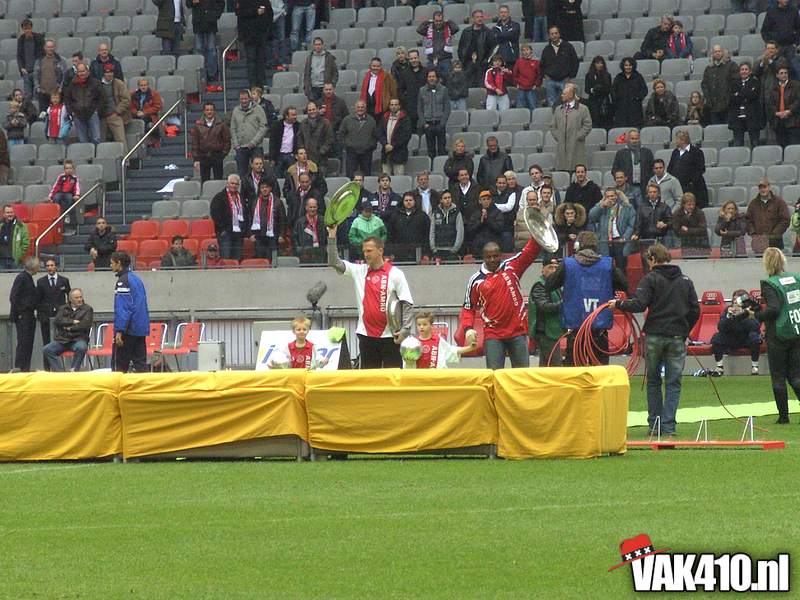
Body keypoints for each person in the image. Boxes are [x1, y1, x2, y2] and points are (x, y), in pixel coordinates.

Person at [609, 243, 699, 437]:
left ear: (652, 259)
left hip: (654, 336)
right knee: (673, 383)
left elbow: (639, 304)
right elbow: (695, 311)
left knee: (653, 381)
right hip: (676, 337)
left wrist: (618, 304)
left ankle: (655, 425)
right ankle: (669, 427)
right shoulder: (685, 280)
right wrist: (684, 330)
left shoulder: (650, 279)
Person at [326, 221, 414, 369]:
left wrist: (405, 330)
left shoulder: (396, 274)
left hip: (390, 336)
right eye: (364, 251)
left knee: (393, 376)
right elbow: (334, 262)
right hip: (366, 335)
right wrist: (332, 237)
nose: (366, 254)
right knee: (369, 378)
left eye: (369, 251)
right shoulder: (359, 271)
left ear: (380, 250)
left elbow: (407, 303)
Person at [546, 230, 628, 367]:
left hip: (576, 331)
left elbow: (549, 285)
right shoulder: (607, 264)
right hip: (599, 330)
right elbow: (624, 284)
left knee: (575, 374)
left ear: (577, 246)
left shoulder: (568, 264)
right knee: (600, 373)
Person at [462, 235, 541, 369]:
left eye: (496, 256)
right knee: (494, 375)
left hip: (517, 331)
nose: (492, 260)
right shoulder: (476, 280)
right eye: (489, 257)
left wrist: (538, 232)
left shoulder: (512, 267)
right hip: (493, 334)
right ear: (483, 257)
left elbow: (529, 252)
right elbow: (468, 308)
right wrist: (468, 328)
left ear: (501, 255)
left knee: (522, 375)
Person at [751, 248, 800, 423]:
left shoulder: (769, 283)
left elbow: (773, 309)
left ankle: (783, 417)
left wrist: (755, 315)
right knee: (795, 375)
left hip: (777, 334)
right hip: (796, 330)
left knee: (778, 376)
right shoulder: (796, 278)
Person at [110, 250, 150, 373]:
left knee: (119, 367)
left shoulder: (123, 281)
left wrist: (119, 331)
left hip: (128, 330)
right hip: (140, 329)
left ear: (119, 263)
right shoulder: (137, 279)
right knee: (141, 365)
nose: (110, 265)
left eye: (112, 263)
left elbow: (123, 309)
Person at [709, 290, 763, 376]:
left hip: (746, 338)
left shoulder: (752, 309)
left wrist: (743, 314)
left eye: (737, 299)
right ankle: (719, 368)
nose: (735, 302)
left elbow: (755, 327)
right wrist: (729, 317)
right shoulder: (728, 309)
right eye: (734, 299)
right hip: (732, 338)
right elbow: (721, 328)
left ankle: (755, 367)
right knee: (716, 337)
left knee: (754, 337)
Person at [42, 288, 93, 372]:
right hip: (63, 339)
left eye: (80, 297)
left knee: (81, 348)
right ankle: (60, 373)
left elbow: (85, 325)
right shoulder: (63, 308)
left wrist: (69, 328)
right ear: (70, 299)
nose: (79, 299)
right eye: (76, 298)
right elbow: (57, 321)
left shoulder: (87, 309)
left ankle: (73, 371)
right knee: (47, 349)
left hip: (79, 338)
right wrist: (72, 321)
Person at [403, 311, 476, 369]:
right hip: (419, 378)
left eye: (424, 324)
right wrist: (408, 363)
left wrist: (470, 348)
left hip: (436, 378)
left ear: (431, 326)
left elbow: (451, 350)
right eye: (419, 325)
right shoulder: (414, 343)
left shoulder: (438, 340)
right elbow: (407, 363)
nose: (421, 327)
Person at [588, 187, 636, 271]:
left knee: (620, 268)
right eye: (608, 196)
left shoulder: (626, 207)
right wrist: (600, 206)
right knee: (605, 268)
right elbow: (591, 217)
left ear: (616, 196)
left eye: (612, 196)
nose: (610, 198)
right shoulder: (602, 208)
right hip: (605, 242)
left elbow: (631, 225)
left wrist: (625, 237)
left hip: (619, 241)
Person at [549, 82, 592, 173]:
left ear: (571, 95)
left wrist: (577, 136)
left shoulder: (583, 109)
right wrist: (558, 136)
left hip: (576, 149)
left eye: (564, 94)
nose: (562, 95)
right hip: (561, 151)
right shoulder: (558, 109)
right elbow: (553, 126)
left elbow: (588, 125)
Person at [529, 257, 564, 367]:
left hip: (552, 330)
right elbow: (544, 306)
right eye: (550, 267)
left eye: (556, 268)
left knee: (545, 367)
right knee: (556, 365)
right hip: (544, 331)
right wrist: (564, 303)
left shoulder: (556, 285)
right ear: (543, 268)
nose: (554, 271)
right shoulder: (539, 285)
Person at [62, 62, 104, 147]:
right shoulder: (72, 84)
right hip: (78, 115)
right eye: (79, 71)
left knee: (96, 138)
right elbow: (67, 99)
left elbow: (103, 98)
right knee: (82, 140)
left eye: (83, 71)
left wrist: (98, 110)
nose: (81, 73)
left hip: (93, 114)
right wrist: (71, 112)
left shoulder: (96, 83)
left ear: (87, 71)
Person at [9, 256, 40, 372]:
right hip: (23, 315)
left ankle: (26, 368)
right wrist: (20, 312)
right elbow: (14, 297)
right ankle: (20, 368)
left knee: (29, 342)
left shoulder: (28, 278)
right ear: (33, 267)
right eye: (37, 266)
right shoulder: (21, 278)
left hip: (29, 314)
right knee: (23, 342)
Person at [230, 89, 268, 180]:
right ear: (239, 99)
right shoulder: (236, 111)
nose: (244, 101)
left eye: (245, 99)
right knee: (242, 174)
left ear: (250, 98)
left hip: (256, 147)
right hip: (241, 148)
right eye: (242, 99)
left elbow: (263, 127)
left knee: (259, 172)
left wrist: (254, 142)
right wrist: (236, 145)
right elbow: (233, 129)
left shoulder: (258, 109)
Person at [539, 25, 580, 108]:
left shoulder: (568, 47)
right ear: (549, 36)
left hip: (564, 80)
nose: (554, 35)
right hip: (551, 81)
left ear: (559, 34)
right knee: (552, 103)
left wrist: (570, 76)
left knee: (566, 102)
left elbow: (575, 62)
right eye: (552, 34)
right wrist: (545, 76)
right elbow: (542, 65)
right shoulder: (546, 49)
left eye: (556, 33)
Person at [191, 101, 231, 183]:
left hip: (217, 156)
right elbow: (195, 143)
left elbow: (227, 141)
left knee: (218, 181)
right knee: (204, 181)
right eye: (207, 110)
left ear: (214, 111)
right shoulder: (198, 126)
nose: (209, 112)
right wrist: (196, 159)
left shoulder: (221, 125)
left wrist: (223, 154)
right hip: (203, 156)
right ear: (204, 111)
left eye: (211, 110)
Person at [667, 129, 709, 209]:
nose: (675, 141)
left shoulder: (697, 152)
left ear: (683, 140)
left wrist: (690, 182)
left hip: (693, 188)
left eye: (677, 139)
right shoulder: (675, 152)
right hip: (678, 187)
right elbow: (670, 169)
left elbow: (700, 169)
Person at [745, 179, 790, 251]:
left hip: (775, 242)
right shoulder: (753, 203)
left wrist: (775, 234)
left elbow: (785, 219)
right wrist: (753, 234)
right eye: (760, 188)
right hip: (758, 242)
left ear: (769, 187)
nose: (762, 189)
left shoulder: (779, 202)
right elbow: (748, 220)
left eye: (764, 187)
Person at [186, 0, 225, 84]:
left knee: (211, 48)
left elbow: (221, 3)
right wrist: (192, 2)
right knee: (199, 49)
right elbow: (188, 4)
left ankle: (211, 73)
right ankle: (200, 73)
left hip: (210, 22)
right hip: (198, 22)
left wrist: (215, 15)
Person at [35, 258, 70, 351]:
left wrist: (67, 312)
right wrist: (40, 314)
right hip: (46, 315)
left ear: (56, 267)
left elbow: (70, 296)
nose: (50, 268)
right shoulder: (41, 282)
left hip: (60, 315)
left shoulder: (64, 280)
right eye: (47, 266)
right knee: (46, 341)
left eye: (52, 265)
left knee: (63, 339)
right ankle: (47, 360)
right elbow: (38, 299)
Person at [210, 174, 247, 261]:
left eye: (236, 184)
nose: (234, 186)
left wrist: (244, 230)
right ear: (227, 184)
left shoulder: (241, 197)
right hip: (225, 234)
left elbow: (246, 213)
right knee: (225, 259)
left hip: (238, 234)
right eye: (232, 183)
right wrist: (222, 230)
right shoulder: (219, 197)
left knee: (236, 260)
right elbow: (215, 214)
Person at [236, 0, 271, 88]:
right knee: (251, 59)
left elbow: (269, 11)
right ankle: (253, 84)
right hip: (249, 34)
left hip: (261, 33)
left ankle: (262, 82)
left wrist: (266, 26)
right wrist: (255, 12)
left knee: (261, 59)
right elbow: (239, 12)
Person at [339, 100, 378, 179]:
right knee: (350, 176)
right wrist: (346, 146)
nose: (360, 109)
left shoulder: (371, 120)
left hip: (366, 153)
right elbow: (341, 134)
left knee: (366, 176)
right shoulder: (347, 119)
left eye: (362, 107)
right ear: (355, 108)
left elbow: (375, 136)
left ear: (365, 108)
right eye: (358, 107)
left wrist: (371, 146)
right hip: (351, 152)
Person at [387, 193, 431, 262]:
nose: (408, 202)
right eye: (406, 200)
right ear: (403, 202)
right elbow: (390, 235)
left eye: (410, 200)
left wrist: (426, 253)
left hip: (417, 253)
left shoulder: (422, 216)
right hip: (399, 253)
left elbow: (426, 235)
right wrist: (390, 252)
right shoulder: (395, 216)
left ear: (414, 201)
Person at [98, 62, 131, 155]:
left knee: (121, 140)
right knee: (101, 141)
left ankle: (126, 161)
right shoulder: (98, 84)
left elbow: (126, 99)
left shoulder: (119, 84)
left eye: (111, 72)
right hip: (102, 117)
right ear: (104, 73)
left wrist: (117, 112)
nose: (109, 74)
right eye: (107, 72)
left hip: (115, 116)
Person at [701, 45, 739, 125]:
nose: (717, 53)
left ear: (723, 52)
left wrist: (729, 99)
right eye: (715, 52)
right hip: (713, 107)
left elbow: (735, 83)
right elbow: (704, 85)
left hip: (728, 107)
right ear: (712, 54)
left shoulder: (731, 65)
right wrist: (709, 101)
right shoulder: (708, 69)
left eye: (719, 51)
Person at [729, 62, 763, 149]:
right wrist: (746, 95)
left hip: (753, 117)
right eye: (742, 69)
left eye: (746, 69)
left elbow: (754, 95)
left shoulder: (756, 82)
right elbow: (732, 98)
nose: (744, 71)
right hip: (737, 118)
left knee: (755, 143)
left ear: (750, 71)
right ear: (739, 71)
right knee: (738, 144)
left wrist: (739, 95)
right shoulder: (733, 83)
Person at [418, 70, 450, 162]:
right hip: (428, 124)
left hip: (440, 123)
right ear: (427, 78)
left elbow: (447, 108)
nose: (431, 78)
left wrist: (442, 124)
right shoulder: (422, 90)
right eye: (429, 77)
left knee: (442, 149)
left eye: (433, 76)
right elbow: (419, 108)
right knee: (431, 151)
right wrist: (424, 124)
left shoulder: (443, 90)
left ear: (436, 78)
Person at [249, 179, 286, 259]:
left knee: (274, 259)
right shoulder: (255, 202)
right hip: (259, 236)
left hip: (273, 236)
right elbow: (250, 219)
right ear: (260, 189)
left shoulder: (278, 202)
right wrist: (251, 234)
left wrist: (281, 235)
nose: (264, 189)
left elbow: (282, 220)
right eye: (262, 188)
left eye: (266, 187)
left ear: (270, 188)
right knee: (260, 259)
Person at [764, 66, 800, 149]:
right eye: (781, 73)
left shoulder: (796, 85)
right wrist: (776, 113)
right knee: (781, 146)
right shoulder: (772, 87)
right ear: (777, 75)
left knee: (793, 146)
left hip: (793, 121)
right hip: (778, 122)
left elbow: (798, 101)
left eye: (785, 73)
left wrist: (789, 111)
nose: (784, 75)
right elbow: (769, 102)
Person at [632, 183, 672, 249]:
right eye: (650, 192)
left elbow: (671, 221)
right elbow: (638, 225)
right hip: (646, 240)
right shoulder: (641, 208)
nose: (652, 194)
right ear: (647, 194)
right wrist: (635, 234)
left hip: (661, 240)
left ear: (658, 194)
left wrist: (665, 224)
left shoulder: (665, 207)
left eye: (654, 192)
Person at [458, 10, 492, 87]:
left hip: (482, 64)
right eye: (477, 17)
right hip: (468, 64)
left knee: (481, 86)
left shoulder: (488, 32)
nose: (480, 19)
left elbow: (491, 48)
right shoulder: (466, 32)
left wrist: (486, 61)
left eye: (481, 17)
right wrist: (462, 61)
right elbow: (461, 48)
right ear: (473, 19)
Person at [379, 98, 412, 176]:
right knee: (385, 178)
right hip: (386, 153)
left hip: (399, 153)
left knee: (399, 178)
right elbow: (379, 133)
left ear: (399, 106)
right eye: (392, 105)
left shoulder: (405, 119)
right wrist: (385, 144)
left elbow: (406, 136)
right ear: (389, 106)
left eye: (396, 105)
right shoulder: (384, 118)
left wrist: (393, 146)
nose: (394, 107)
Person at [611, 57, 648, 129]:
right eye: (626, 65)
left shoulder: (638, 76)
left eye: (630, 65)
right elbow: (613, 90)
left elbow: (644, 90)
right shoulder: (618, 77)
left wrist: (638, 98)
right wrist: (618, 100)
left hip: (635, 108)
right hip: (621, 109)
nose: (628, 67)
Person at [297, 101, 334, 171]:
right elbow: (299, 139)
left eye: (313, 109)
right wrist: (303, 152)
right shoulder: (303, 123)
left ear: (317, 109)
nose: (312, 112)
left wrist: (321, 152)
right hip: (306, 159)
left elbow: (329, 139)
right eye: (309, 110)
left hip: (321, 160)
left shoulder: (325, 122)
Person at [396, 50, 427, 131]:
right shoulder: (404, 73)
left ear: (419, 58)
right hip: (410, 108)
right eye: (411, 58)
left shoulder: (426, 71)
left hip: (425, 107)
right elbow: (400, 89)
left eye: (415, 58)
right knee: (411, 132)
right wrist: (406, 100)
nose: (413, 60)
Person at [360, 58, 398, 126]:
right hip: (368, 108)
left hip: (382, 109)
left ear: (381, 66)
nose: (376, 68)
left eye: (378, 66)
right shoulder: (366, 77)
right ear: (370, 66)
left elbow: (393, 91)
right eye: (374, 66)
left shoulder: (387, 77)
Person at [33, 39, 68, 111]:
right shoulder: (39, 61)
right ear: (45, 48)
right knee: (43, 114)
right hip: (43, 93)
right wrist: (37, 87)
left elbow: (65, 75)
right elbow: (35, 75)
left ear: (54, 47)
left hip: (56, 93)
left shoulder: (61, 61)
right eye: (48, 47)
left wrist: (60, 88)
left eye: (51, 47)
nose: (50, 49)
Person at [429, 189, 464, 262]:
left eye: (449, 197)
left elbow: (460, 232)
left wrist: (455, 248)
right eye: (445, 198)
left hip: (452, 250)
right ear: (441, 200)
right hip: (438, 250)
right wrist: (433, 248)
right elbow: (432, 231)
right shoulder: (436, 213)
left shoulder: (456, 213)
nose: (447, 200)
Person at [467, 191, 504, 257]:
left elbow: (499, 228)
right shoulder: (476, 213)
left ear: (491, 200)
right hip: (479, 247)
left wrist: (487, 219)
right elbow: (470, 229)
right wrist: (480, 222)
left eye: (488, 199)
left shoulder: (497, 212)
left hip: (493, 246)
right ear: (480, 201)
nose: (486, 201)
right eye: (484, 199)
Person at [673, 192, 710, 257]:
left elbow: (702, 230)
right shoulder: (677, 214)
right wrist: (694, 231)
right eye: (689, 205)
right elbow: (677, 232)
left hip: (701, 244)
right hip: (685, 244)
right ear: (683, 205)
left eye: (693, 204)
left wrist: (688, 230)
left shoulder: (699, 213)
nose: (691, 207)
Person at [16, 19, 45, 101]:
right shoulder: (21, 40)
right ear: (23, 29)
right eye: (25, 29)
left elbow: (43, 54)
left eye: (29, 28)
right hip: (26, 71)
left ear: (31, 28)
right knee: (28, 95)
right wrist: (21, 68)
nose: (27, 31)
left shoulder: (38, 39)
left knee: (37, 94)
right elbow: (19, 55)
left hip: (37, 71)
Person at [267, 106, 299, 179]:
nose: (295, 117)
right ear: (286, 116)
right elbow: (272, 142)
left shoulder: (298, 126)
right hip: (279, 156)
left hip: (291, 156)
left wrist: (295, 153)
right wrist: (272, 157)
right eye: (293, 115)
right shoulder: (277, 125)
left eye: (296, 115)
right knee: (278, 177)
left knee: (293, 177)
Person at [303, 37, 339, 102]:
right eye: (316, 45)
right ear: (313, 46)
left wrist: (331, 85)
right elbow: (306, 74)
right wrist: (306, 88)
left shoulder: (329, 57)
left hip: (325, 87)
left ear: (322, 45)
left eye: (319, 44)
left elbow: (335, 73)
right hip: (313, 88)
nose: (318, 46)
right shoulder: (309, 58)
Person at [292, 197, 326, 263]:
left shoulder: (323, 221)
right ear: (306, 208)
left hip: (320, 256)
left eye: (314, 207)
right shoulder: (300, 222)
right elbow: (294, 238)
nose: (312, 209)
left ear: (317, 207)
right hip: (305, 256)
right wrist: (300, 250)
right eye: (310, 207)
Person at [584, 56, 613, 130]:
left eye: (601, 63)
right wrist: (593, 90)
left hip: (604, 101)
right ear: (594, 64)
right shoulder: (589, 75)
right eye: (598, 63)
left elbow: (610, 88)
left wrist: (602, 89)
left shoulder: (607, 75)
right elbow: (586, 89)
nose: (600, 65)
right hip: (593, 101)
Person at [489, 5, 521, 70]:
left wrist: (499, 35)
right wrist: (507, 33)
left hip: (511, 59)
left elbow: (513, 36)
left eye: (505, 12)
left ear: (508, 14)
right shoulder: (495, 28)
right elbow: (493, 40)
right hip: (498, 59)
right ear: (499, 14)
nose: (503, 14)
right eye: (501, 12)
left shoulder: (516, 25)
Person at [513, 43, 542, 112]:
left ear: (531, 50)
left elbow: (539, 74)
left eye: (527, 49)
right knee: (520, 107)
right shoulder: (519, 61)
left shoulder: (536, 61)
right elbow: (515, 74)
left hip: (531, 88)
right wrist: (517, 84)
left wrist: (536, 85)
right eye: (524, 50)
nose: (526, 52)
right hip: (521, 87)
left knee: (533, 105)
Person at [0, 205, 30, 271]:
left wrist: (19, 255)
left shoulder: (21, 226)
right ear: (3, 214)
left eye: (11, 212)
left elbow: (26, 243)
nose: (10, 214)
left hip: (15, 261)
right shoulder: (0, 225)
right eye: (8, 213)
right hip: (1, 260)